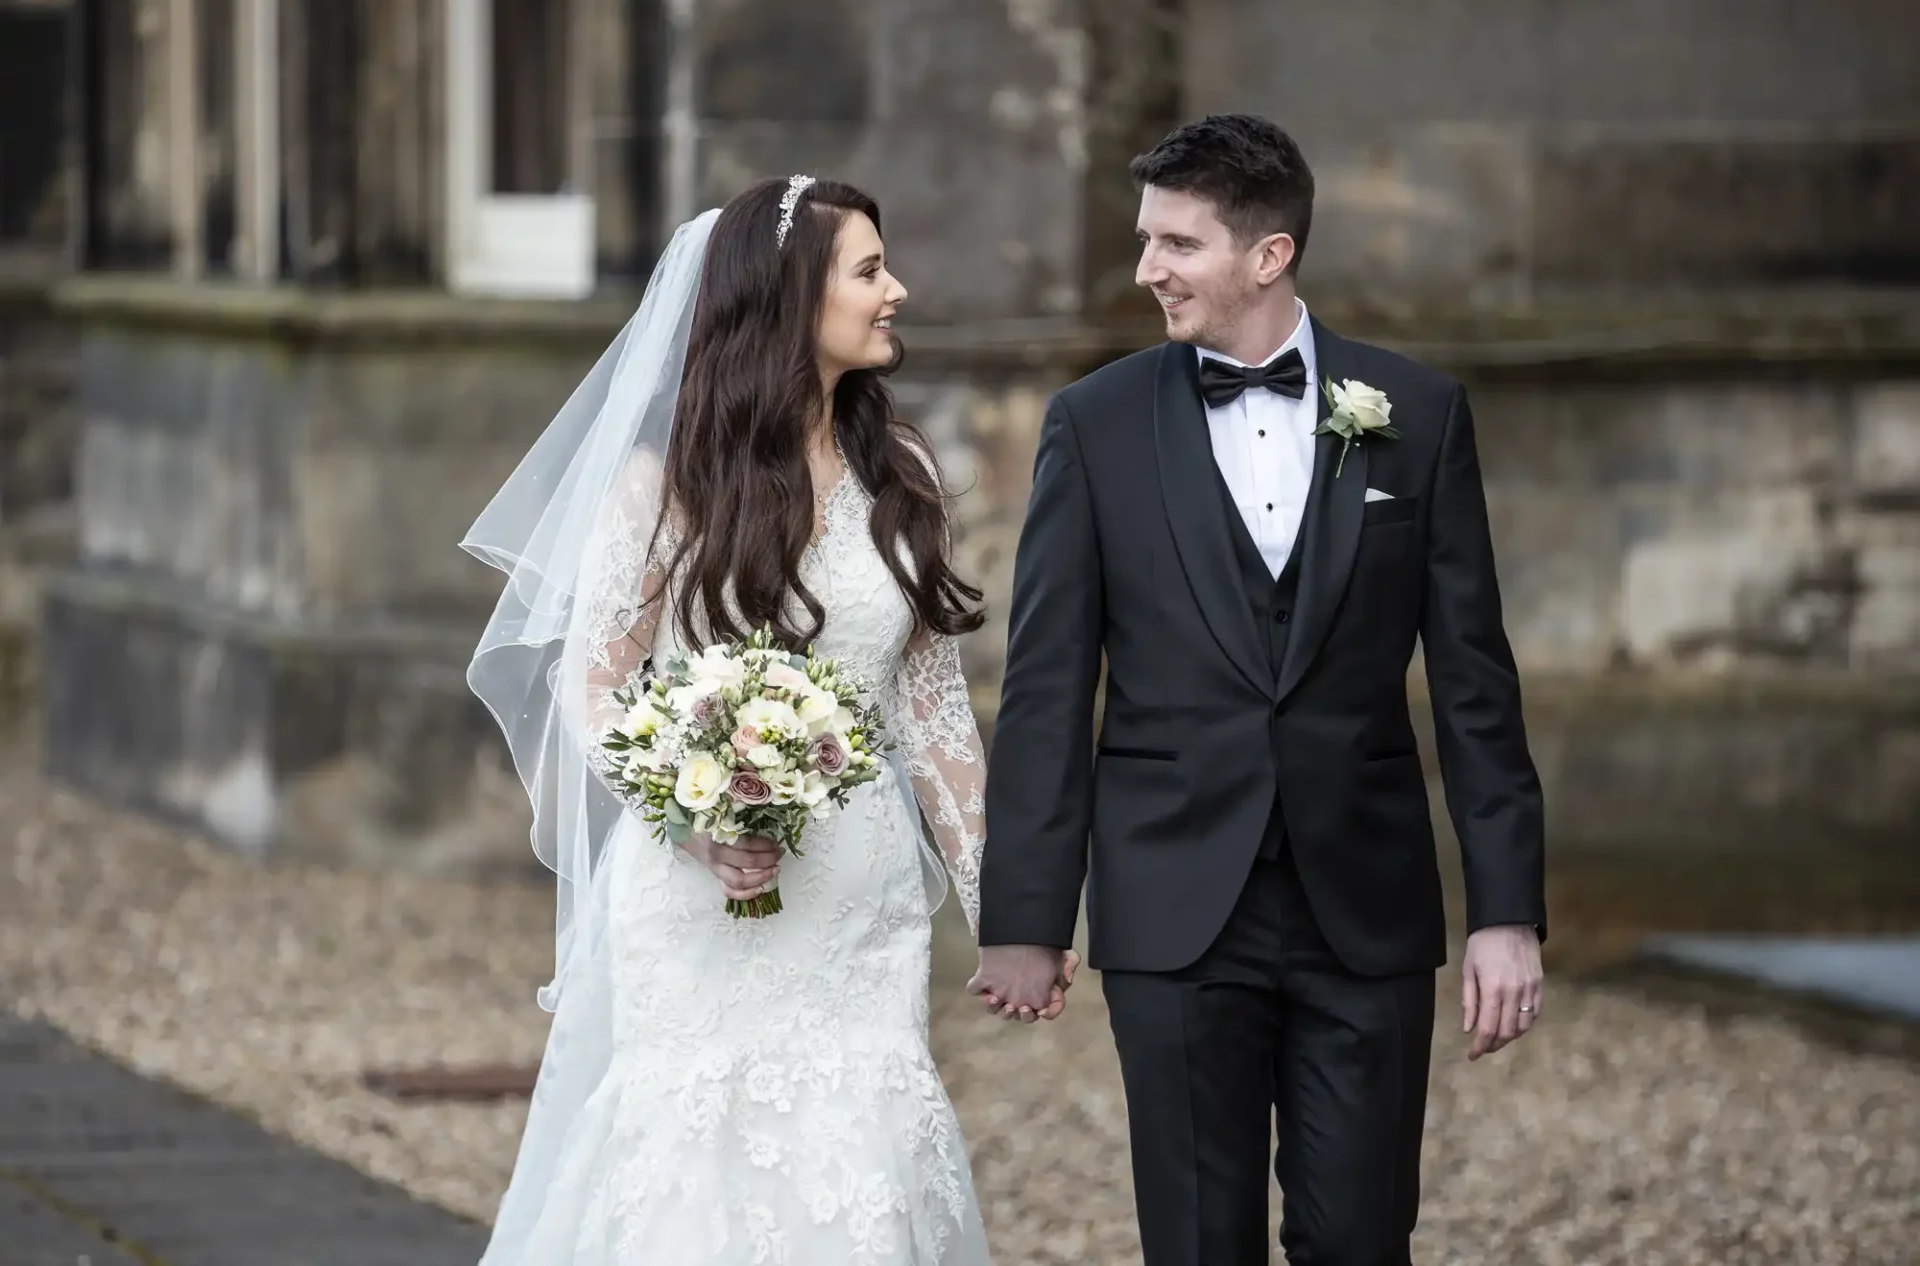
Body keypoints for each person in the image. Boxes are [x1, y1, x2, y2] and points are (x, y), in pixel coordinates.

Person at [972, 114, 1548, 1264]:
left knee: (1360, 1235)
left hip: (1366, 907)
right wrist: (1026, 917)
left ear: (1268, 256)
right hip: (1173, 908)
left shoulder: (1417, 415)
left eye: (1177, 244)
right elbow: (1046, 686)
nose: (1147, 269)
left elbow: (1477, 683)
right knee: (1196, 1240)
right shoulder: (1093, 425)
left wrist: (1504, 911)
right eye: (1148, 240)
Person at [463, 176, 1061, 1264]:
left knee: (866, 1169)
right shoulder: (666, 484)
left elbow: (933, 723)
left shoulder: (903, 473)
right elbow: (593, 688)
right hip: (691, 894)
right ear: (790, 296)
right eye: (870, 271)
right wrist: (688, 813)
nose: (898, 291)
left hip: (857, 901)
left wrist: (1006, 912)